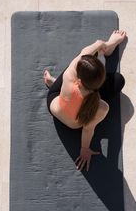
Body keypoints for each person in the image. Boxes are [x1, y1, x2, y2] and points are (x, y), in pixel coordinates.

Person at [43, 30, 127, 172]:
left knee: (81, 61)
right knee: (119, 80)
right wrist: (84, 149)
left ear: (79, 79)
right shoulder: (101, 107)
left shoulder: (71, 73)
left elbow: (85, 53)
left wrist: (101, 43)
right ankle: (111, 48)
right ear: (101, 80)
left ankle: (54, 82)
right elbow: (88, 129)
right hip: (74, 124)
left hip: (54, 101)